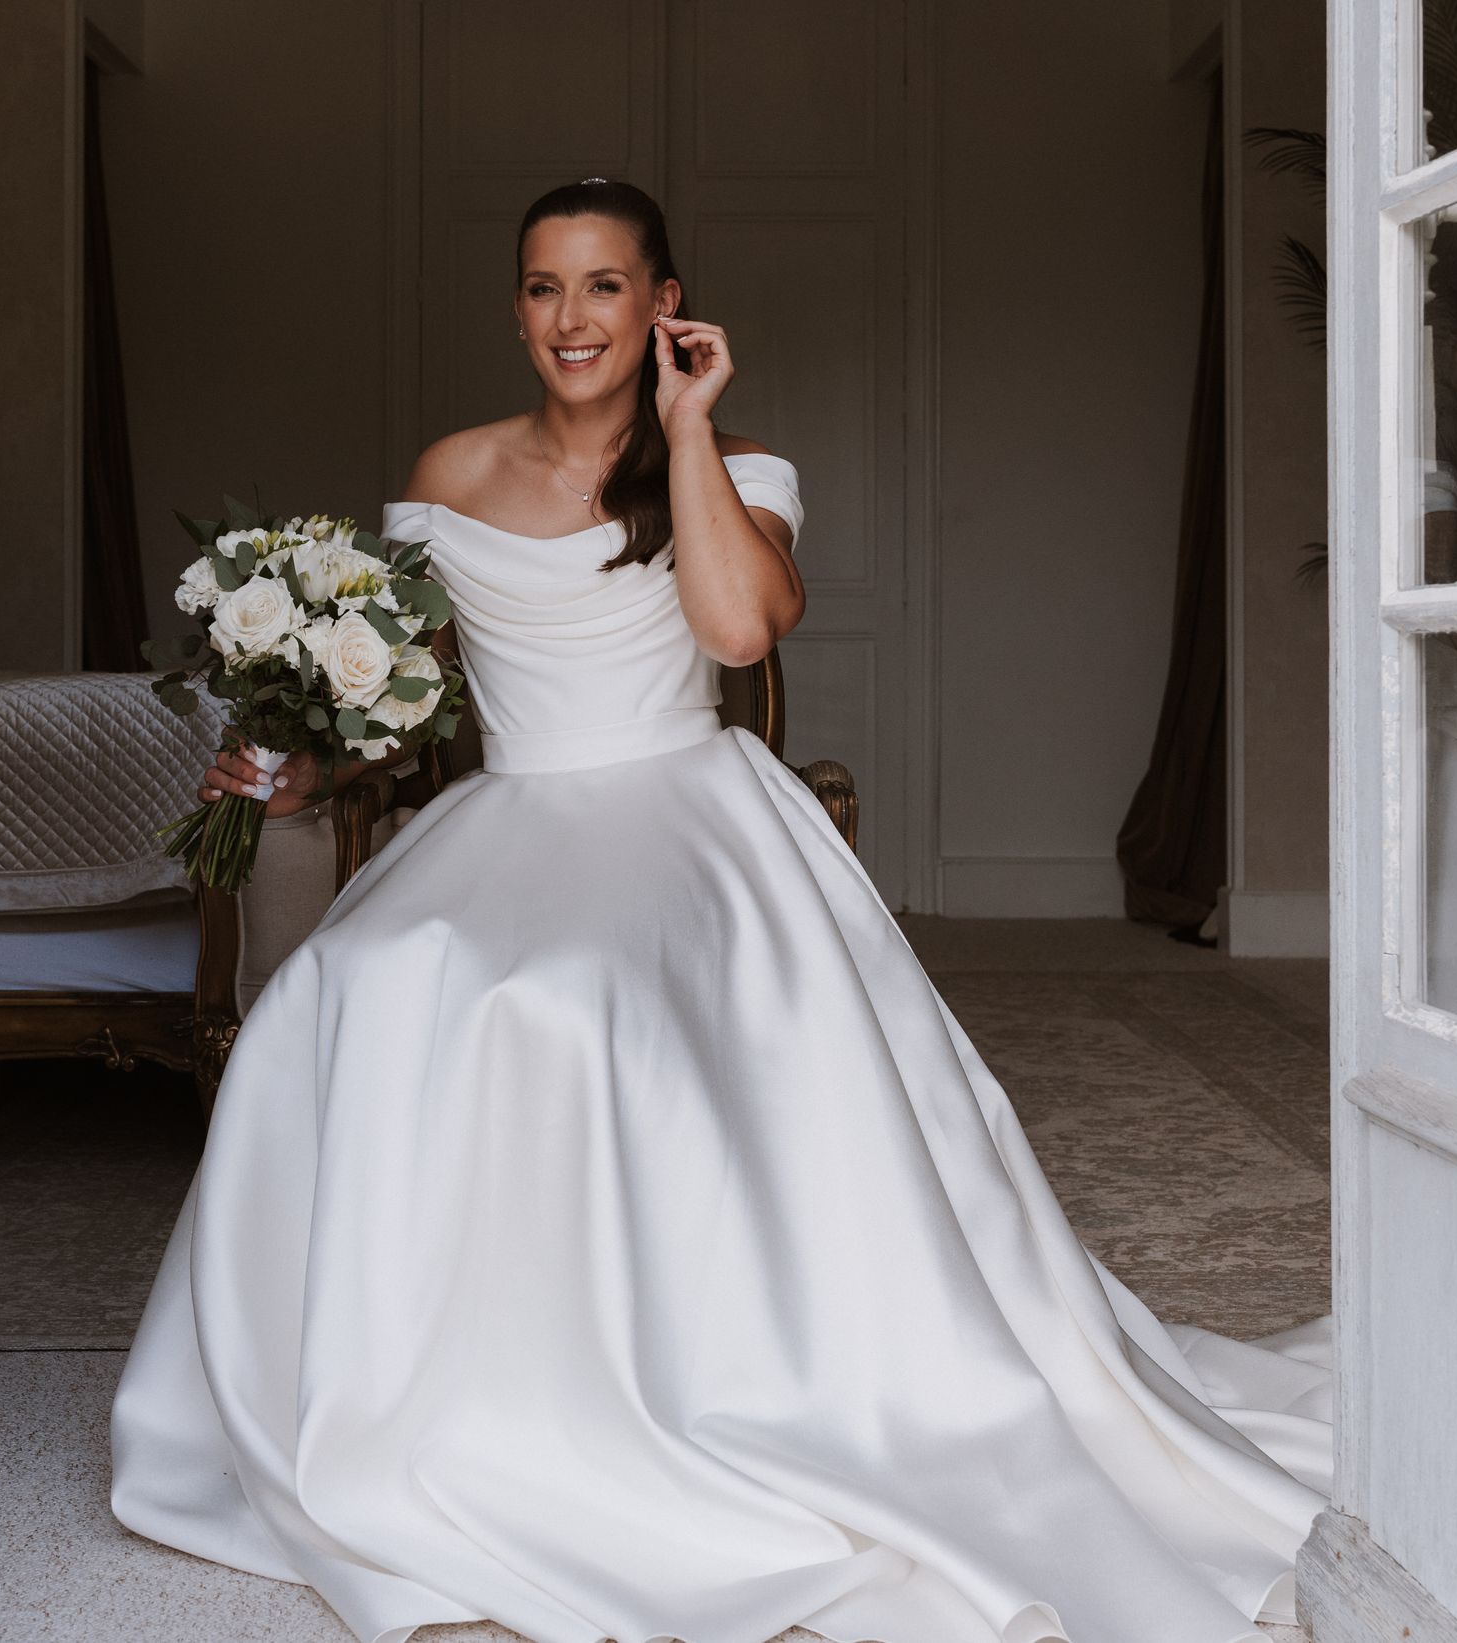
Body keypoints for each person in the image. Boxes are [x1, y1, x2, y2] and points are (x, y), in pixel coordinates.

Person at [110, 178, 1331, 1643]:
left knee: (584, 1005)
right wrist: (298, 764)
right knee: (362, 980)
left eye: (607, 287)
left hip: (687, 813)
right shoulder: (449, 470)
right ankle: (418, 1384)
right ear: (516, 307)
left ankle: (671, 1382)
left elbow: (738, 630)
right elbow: (404, 698)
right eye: (547, 288)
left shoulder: (740, 463)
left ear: (663, 303)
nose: (574, 318)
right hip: (508, 813)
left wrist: (686, 430)